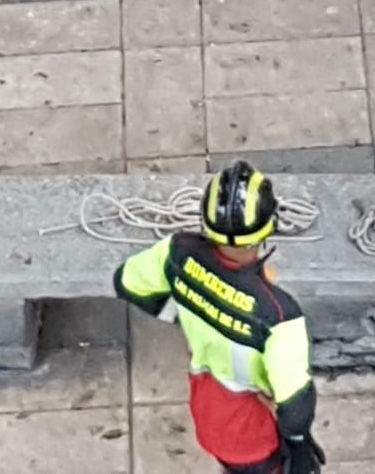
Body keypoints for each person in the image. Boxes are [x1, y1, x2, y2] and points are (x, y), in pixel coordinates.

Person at [113, 162, 325, 474]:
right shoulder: (279, 316)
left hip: (209, 412)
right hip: (253, 435)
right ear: (267, 228)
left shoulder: (178, 253)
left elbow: (127, 282)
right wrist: (298, 443)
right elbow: (295, 403)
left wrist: (187, 314)